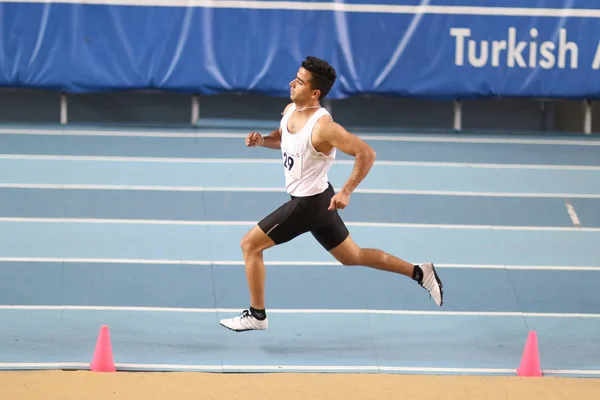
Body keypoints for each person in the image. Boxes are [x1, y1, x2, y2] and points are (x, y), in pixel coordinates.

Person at [219, 56, 444, 332]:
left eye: (299, 82)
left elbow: (366, 153)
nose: (292, 83)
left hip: (310, 204)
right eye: (295, 77)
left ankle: (257, 315)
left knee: (249, 245)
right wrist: (263, 141)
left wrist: (347, 191)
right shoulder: (290, 110)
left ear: (315, 92)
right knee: (354, 256)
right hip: (320, 201)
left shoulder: (325, 127)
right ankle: (420, 272)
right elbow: (283, 140)